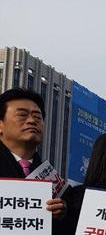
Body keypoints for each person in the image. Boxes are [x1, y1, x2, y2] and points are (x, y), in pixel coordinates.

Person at [0, 88, 66, 218]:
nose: (32, 121)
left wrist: (61, 214)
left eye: (37, 116)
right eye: (22, 115)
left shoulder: (52, 178)